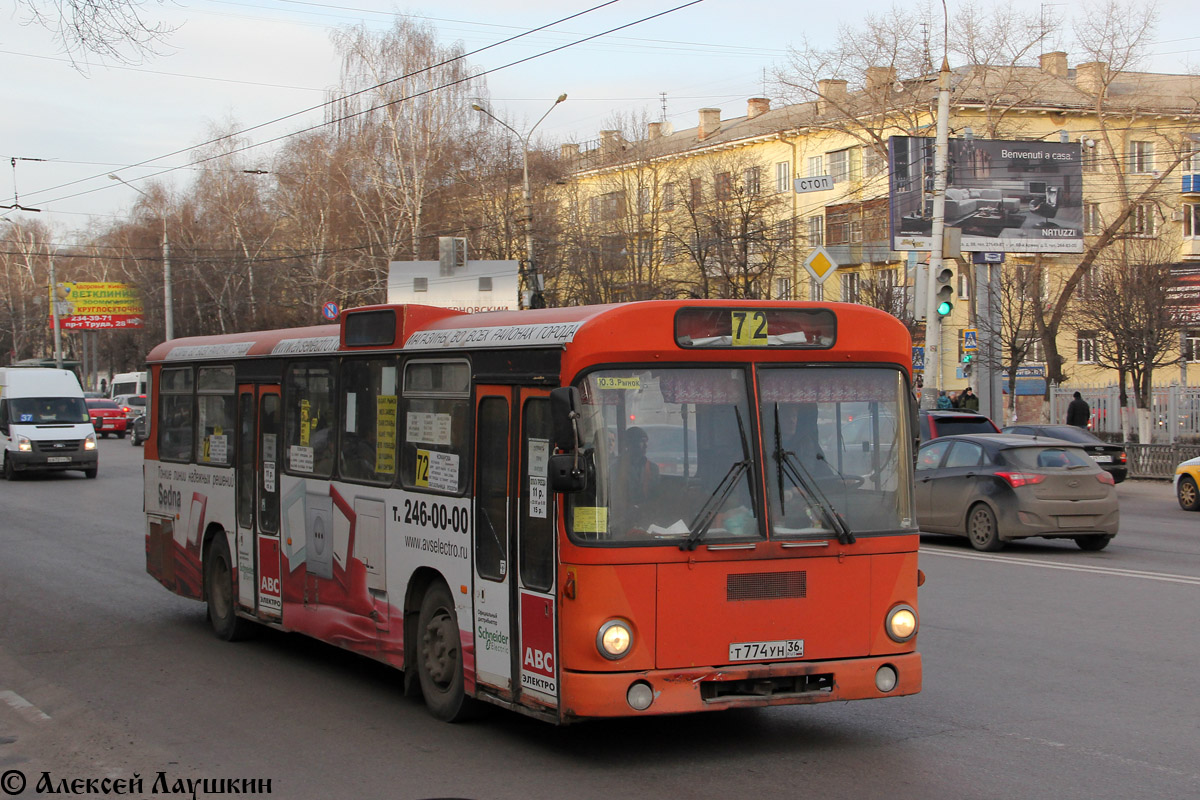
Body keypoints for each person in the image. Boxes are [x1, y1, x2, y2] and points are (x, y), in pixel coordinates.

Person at [614, 426, 660, 507]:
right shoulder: (616, 468)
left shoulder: (653, 468)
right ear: (630, 443)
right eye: (642, 441)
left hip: (646, 514)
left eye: (646, 442)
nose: (646, 445)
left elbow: (656, 496)